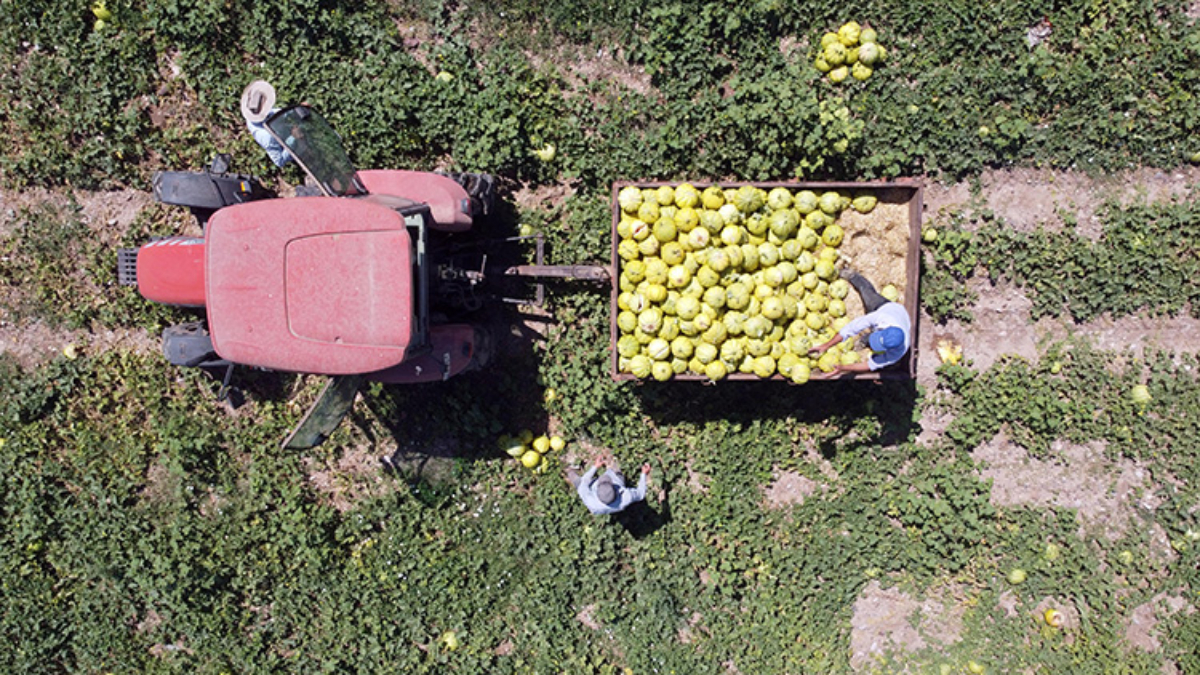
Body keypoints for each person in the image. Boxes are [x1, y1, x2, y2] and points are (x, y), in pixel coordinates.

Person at [808, 269, 911, 378]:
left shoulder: (897, 353)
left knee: (881, 358)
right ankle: (853, 276)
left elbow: (869, 365)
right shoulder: (883, 318)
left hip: (896, 322)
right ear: (884, 328)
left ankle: (865, 340)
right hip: (885, 307)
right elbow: (851, 328)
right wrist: (826, 345)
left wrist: (842, 368)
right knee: (867, 292)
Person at [240, 80, 293, 168]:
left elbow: (274, 113)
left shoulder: (253, 115)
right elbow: (279, 161)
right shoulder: (267, 137)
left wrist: (292, 110)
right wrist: (293, 139)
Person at [568, 461, 651, 515]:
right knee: (618, 475)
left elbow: (584, 481)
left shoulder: (591, 501)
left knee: (578, 483)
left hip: (594, 492)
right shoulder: (626, 497)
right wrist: (643, 474)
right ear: (615, 489)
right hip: (615, 499)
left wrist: (595, 467)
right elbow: (641, 494)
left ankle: (568, 471)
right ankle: (615, 466)